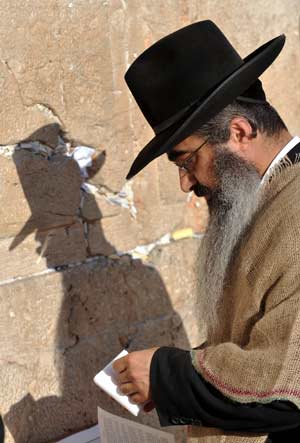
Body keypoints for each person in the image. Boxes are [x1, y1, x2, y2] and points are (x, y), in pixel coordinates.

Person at [113, 20, 300, 442]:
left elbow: (284, 388)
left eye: (186, 161)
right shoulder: (270, 197)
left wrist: (167, 376)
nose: (186, 183)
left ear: (239, 132)